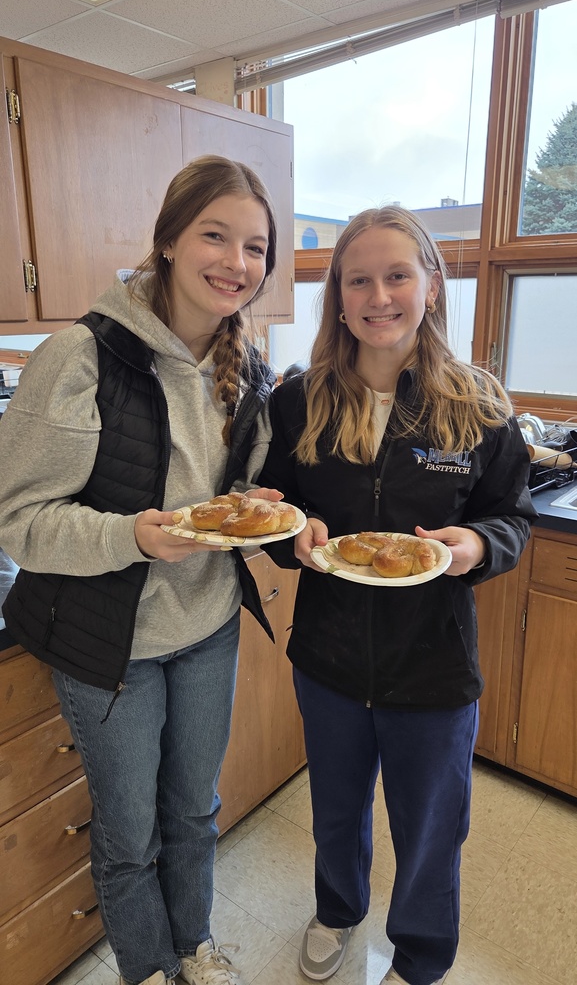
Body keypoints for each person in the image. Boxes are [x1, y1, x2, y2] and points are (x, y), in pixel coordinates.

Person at [0, 155, 283, 985]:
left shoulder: (247, 367)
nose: (237, 262)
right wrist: (134, 536)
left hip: (206, 628)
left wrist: (257, 507)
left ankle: (194, 949)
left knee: (194, 813)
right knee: (130, 835)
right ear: (166, 240)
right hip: (107, 644)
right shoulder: (79, 357)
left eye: (256, 247)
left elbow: (233, 501)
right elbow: (19, 522)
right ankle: (148, 969)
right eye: (215, 236)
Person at [257, 205, 536, 985]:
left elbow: (511, 517)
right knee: (337, 808)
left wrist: (478, 545)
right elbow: (269, 509)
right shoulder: (297, 400)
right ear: (338, 298)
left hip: (433, 666)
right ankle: (337, 910)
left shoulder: (478, 404)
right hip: (330, 658)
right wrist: (294, 533)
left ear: (432, 287)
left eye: (396, 275)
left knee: (430, 828)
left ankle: (418, 957)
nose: (378, 296)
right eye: (358, 280)